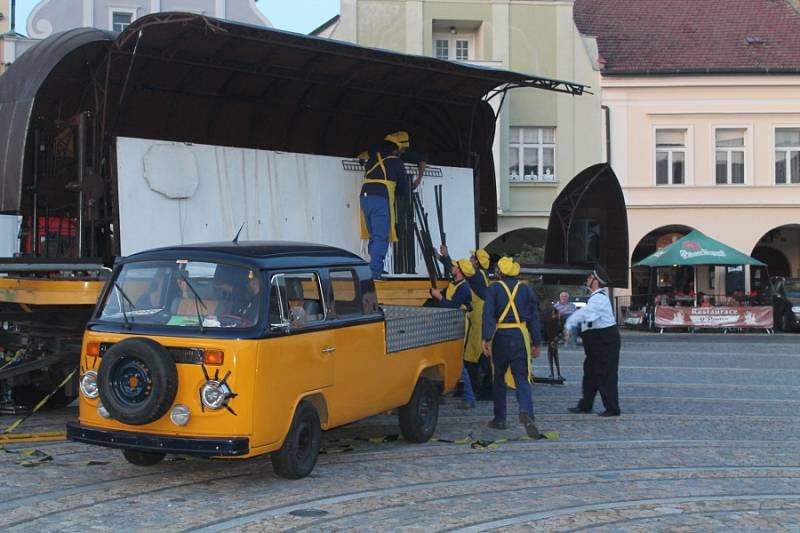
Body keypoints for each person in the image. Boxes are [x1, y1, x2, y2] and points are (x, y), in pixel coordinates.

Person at [482, 257, 542, 438]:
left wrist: (486, 338)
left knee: (498, 378)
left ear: (500, 272)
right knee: (522, 378)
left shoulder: (493, 289)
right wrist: (536, 342)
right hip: (520, 335)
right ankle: (526, 412)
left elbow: (488, 314)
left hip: (500, 337)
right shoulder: (525, 289)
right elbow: (534, 317)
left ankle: (500, 419)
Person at [358, 131, 424, 280]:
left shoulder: (373, 157)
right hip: (380, 198)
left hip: (364, 198)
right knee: (381, 236)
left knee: (374, 236)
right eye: (402, 150)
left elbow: (362, 158)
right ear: (396, 149)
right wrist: (410, 188)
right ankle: (374, 274)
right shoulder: (396, 162)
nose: (402, 153)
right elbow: (401, 189)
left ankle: (375, 267)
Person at [564, 264, 621, 417]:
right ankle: (585, 405)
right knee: (589, 374)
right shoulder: (595, 298)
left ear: (596, 281)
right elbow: (588, 321)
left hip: (605, 342)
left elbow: (587, 315)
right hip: (597, 342)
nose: (587, 279)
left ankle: (612, 408)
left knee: (606, 375)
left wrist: (569, 324)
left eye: (590, 277)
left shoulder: (599, 300)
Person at [439, 245, 491, 400]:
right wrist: (444, 258)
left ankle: (481, 390)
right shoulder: (479, 274)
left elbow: (462, 268)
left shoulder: (477, 275)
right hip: (476, 318)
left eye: (471, 258)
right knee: (474, 355)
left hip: (478, 319)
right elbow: (460, 267)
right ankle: (478, 389)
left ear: (476, 262)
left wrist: (446, 257)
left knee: (475, 355)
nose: (469, 260)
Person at [430, 258, 476, 409]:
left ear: (461, 272)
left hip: (459, 324)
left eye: (456, 267)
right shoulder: (455, 284)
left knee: (457, 360)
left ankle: (469, 397)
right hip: (452, 323)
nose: (453, 268)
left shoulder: (463, 288)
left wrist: (439, 297)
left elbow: (452, 306)